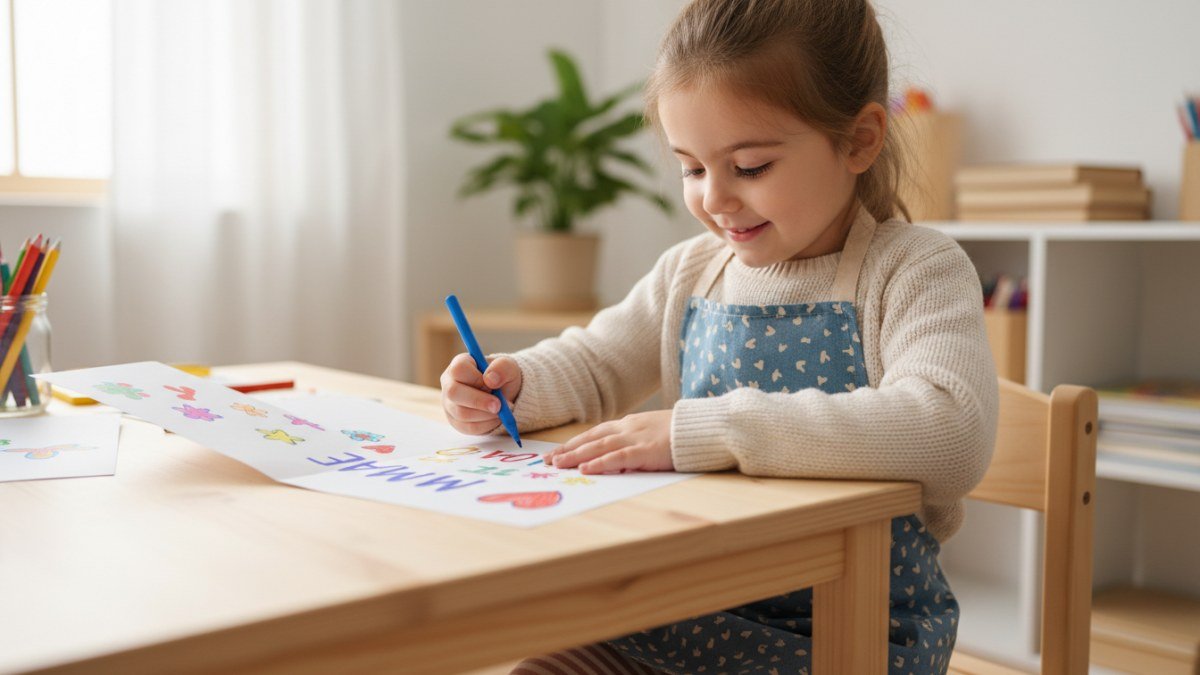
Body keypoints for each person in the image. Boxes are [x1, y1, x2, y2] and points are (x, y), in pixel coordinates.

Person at [440, 0, 998, 672]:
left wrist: (701, 431)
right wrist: (514, 385)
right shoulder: (691, 271)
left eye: (750, 166)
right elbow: (594, 364)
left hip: (847, 632)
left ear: (859, 139)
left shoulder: (914, 269)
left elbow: (950, 429)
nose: (714, 199)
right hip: (681, 608)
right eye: (692, 168)